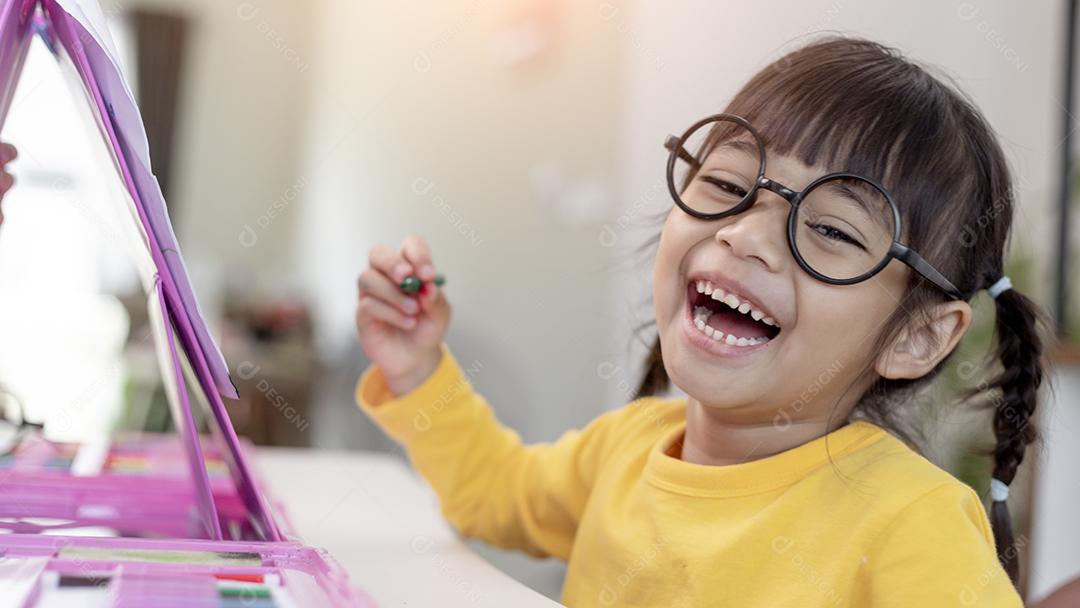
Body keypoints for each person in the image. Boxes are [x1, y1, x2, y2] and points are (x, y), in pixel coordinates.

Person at [358, 37, 1047, 605]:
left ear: (917, 337)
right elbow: (495, 492)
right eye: (727, 184)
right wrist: (419, 370)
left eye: (833, 231)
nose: (744, 235)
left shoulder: (912, 524)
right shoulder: (624, 449)